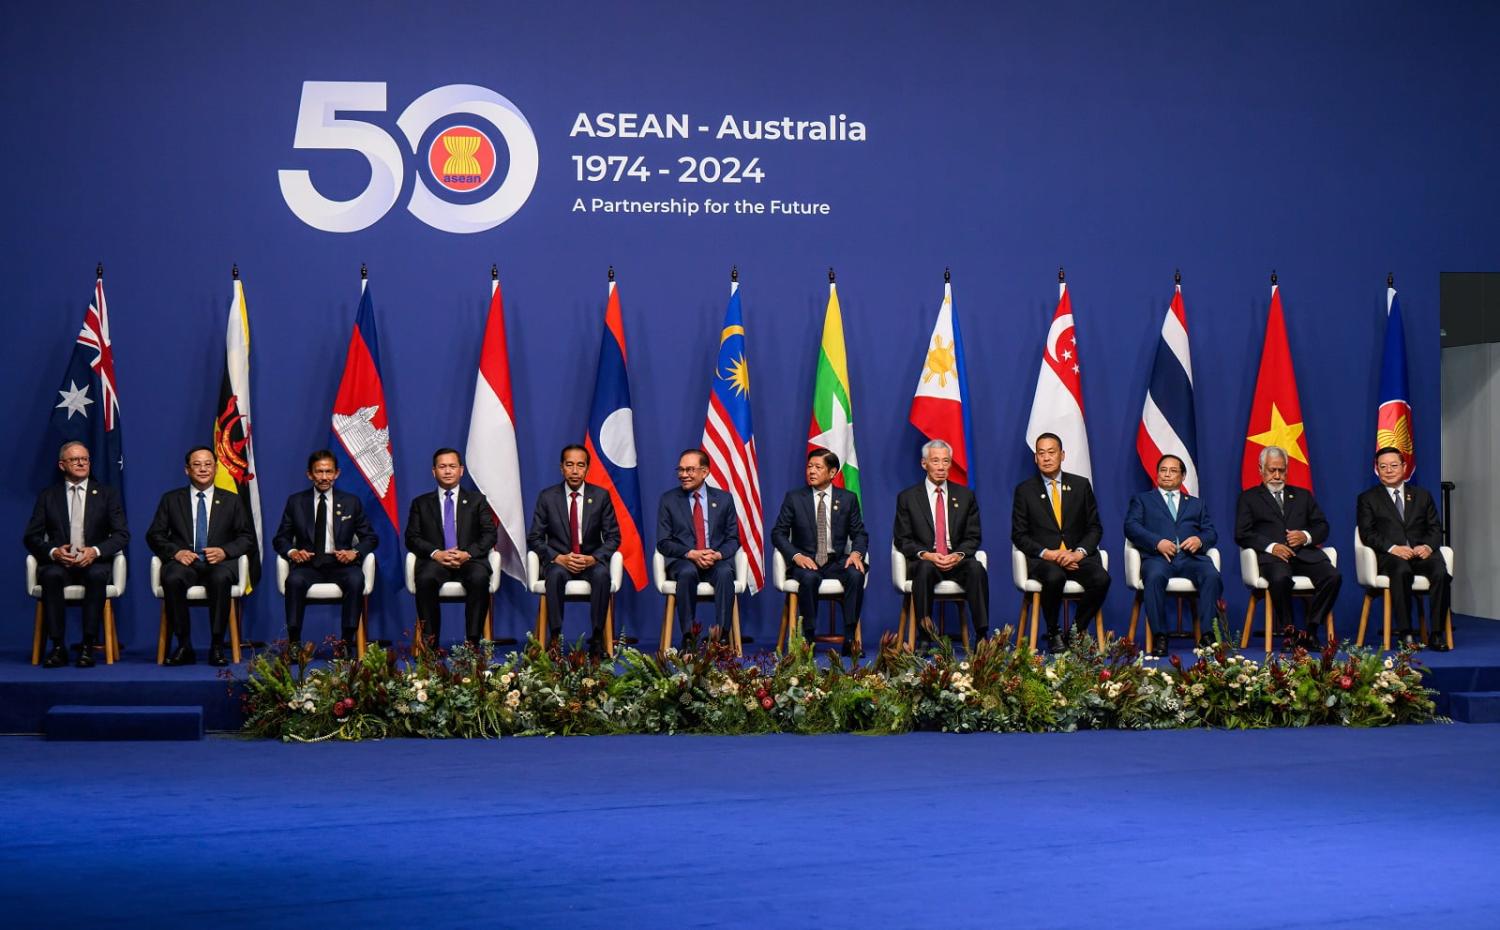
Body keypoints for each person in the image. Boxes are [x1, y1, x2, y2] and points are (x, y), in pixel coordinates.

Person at [145, 445, 257, 666]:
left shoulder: (232, 500)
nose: (203, 469)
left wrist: (225, 551)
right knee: (171, 577)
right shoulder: (171, 499)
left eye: (208, 464)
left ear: (215, 469)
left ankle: (216, 646)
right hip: (185, 563)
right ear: (187, 470)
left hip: (219, 564)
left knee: (220, 578)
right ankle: (184, 645)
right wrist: (176, 552)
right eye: (197, 465)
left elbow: (246, 538)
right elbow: (154, 535)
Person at [22, 441, 129, 668]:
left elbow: (122, 534)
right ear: (62, 465)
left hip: (94, 563)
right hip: (61, 564)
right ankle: (58, 647)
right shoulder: (48, 496)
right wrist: (53, 552)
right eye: (74, 459)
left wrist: (95, 551)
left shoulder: (107, 494)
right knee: (50, 577)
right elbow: (31, 537)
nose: (81, 463)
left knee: (96, 576)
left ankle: (88, 646)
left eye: (85, 459)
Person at [1234, 445, 1341, 649]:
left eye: (1281, 470)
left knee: (1333, 576)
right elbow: (1242, 533)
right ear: (1261, 469)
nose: (1277, 475)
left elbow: (1322, 526)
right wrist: (1271, 546)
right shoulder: (1249, 498)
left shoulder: (1303, 495)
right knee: (1280, 578)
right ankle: (1290, 633)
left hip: (1305, 555)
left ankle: (1310, 631)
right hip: (1274, 559)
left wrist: (1305, 536)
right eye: (1272, 470)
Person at [1011, 432, 1110, 652]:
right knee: (1054, 577)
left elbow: (1095, 527)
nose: (1046, 458)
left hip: (1075, 557)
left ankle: (1074, 632)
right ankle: (1053, 631)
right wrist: (1048, 553)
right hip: (1045, 561)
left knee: (1101, 579)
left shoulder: (1081, 486)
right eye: (1041, 453)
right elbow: (1019, 535)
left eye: (1051, 452)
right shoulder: (1025, 491)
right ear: (1035, 458)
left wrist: (1078, 553)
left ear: (1062, 455)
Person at [271, 449, 377, 647]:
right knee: (293, 581)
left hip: (341, 564)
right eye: (319, 472)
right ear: (309, 474)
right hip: (308, 565)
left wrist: (354, 552)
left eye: (329, 472)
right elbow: (280, 539)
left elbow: (370, 538)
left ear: (337, 473)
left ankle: (346, 643)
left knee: (356, 579)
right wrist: (293, 552)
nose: (324, 477)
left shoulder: (351, 502)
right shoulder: (296, 502)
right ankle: (294, 644)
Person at [770, 447, 868, 655]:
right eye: (809, 467)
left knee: (855, 575)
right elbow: (778, 533)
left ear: (832, 473)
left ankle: (850, 637)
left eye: (818, 467)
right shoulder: (795, 498)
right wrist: (796, 556)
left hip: (836, 561)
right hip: (806, 561)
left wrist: (856, 553)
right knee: (809, 579)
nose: (811, 471)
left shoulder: (848, 499)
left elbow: (860, 533)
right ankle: (808, 637)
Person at [1124, 453, 1223, 656]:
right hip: (1158, 558)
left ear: (1183, 476)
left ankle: (1207, 636)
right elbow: (1131, 527)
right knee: (1154, 577)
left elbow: (1211, 532)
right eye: (1163, 470)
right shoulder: (1143, 499)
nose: (1167, 475)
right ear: (1157, 473)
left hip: (1190, 558)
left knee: (1211, 575)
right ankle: (1160, 635)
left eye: (1173, 471)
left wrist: (1200, 540)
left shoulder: (1196, 504)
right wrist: (1156, 542)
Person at [892, 439, 988, 644]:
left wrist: (958, 555)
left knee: (976, 568)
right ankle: (925, 636)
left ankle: (982, 635)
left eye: (946, 461)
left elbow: (974, 536)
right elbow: (903, 539)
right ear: (924, 463)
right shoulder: (907, 497)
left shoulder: (965, 496)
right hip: (926, 560)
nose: (941, 466)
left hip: (956, 560)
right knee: (925, 568)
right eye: (935, 461)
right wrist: (927, 554)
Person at [527, 444, 620, 655]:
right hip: (560, 561)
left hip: (590, 561)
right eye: (570, 465)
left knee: (602, 576)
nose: (575, 470)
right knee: (555, 576)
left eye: (580, 465)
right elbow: (534, 537)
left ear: (587, 468)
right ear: (561, 468)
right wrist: (557, 558)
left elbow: (614, 537)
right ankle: (555, 638)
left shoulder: (601, 496)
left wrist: (593, 558)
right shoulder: (547, 497)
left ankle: (597, 638)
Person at [1356, 446, 1451, 650]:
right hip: (1391, 557)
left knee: (1441, 573)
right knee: (1401, 571)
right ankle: (1406, 633)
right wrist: (1393, 548)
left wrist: (1427, 546)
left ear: (1404, 466)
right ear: (1377, 469)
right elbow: (1367, 533)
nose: (1389, 470)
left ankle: (1436, 634)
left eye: (1393, 465)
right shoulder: (1368, 498)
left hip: (1422, 554)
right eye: (1383, 466)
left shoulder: (1422, 496)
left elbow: (1435, 528)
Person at [404, 447, 496, 648]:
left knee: (480, 578)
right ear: (433, 471)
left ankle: (472, 643)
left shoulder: (476, 501)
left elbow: (490, 534)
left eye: (452, 466)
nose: (447, 471)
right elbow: (411, 538)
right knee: (425, 578)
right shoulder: (420, 503)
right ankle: (430, 645)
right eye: (442, 467)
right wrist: (436, 554)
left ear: (461, 470)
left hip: (469, 560)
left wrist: (467, 553)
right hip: (435, 562)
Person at [656, 449, 739, 644]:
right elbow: (663, 541)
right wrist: (691, 553)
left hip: (714, 560)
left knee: (725, 573)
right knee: (686, 573)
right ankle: (688, 637)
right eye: (681, 470)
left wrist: (717, 555)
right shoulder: (668, 500)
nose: (683, 475)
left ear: (705, 472)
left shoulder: (724, 499)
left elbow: (733, 539)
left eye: (690, 470)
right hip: (683, 560)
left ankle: (722, 638)